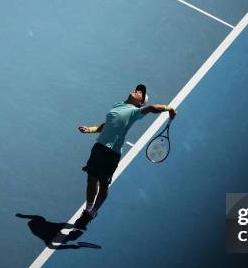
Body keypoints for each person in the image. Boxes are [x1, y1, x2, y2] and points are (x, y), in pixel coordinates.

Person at [75, 84, 176, 230]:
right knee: (91, 179)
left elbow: (152, 108)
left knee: (103, 185)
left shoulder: (136, 111)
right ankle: (87, 210)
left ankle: (93, 212)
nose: (138, 90)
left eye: (141, 92)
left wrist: (170, 108)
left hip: (111, 153)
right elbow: (107, 124)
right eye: (137, 89)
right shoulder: (118, 105)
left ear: (141, 102)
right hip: (98, 148)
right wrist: (90, 129)